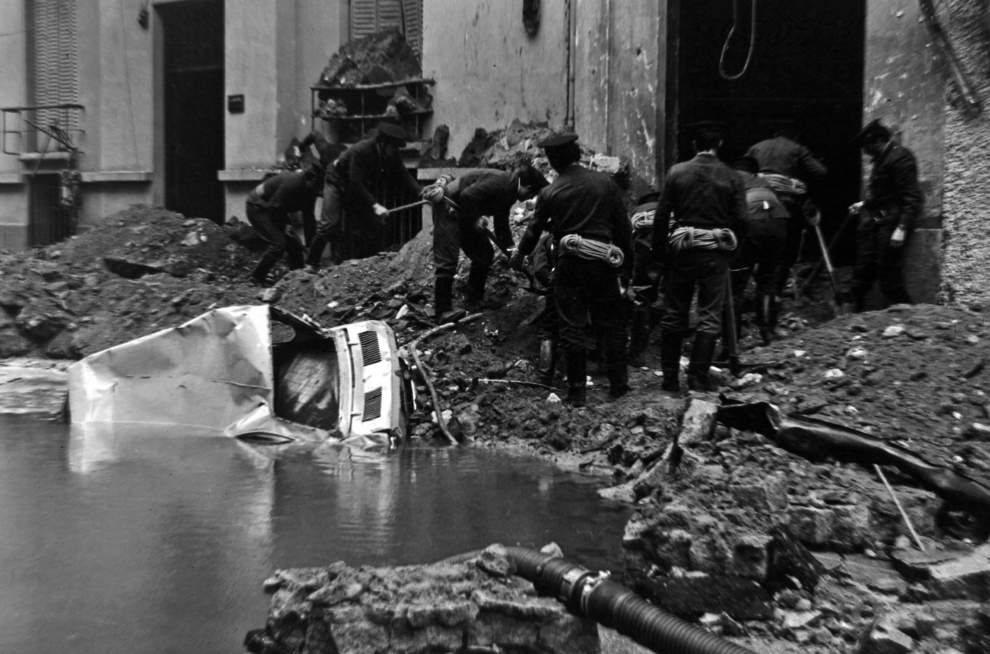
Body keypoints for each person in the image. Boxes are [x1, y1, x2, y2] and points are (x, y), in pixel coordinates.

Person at [510, 133, 631, 406]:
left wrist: (519, 254)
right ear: (577, 154)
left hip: (570, 265)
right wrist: (626, 271)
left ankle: (577, 393)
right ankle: (619, 386)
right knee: (612, 324)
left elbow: (533, 230)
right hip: (603, 263)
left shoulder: (551, 192)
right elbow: (623, 231)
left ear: (552, 162)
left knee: (571, 327)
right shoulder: (606, 184)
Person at [652, 122, 748, 393]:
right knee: (709, 317)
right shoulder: (732, 176)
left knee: (674, 315)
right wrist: (732, 250)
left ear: (694, 145)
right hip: (715, 255)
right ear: (719, 145)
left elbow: (661, 217)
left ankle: (670, 380)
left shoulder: (676, 172)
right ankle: (697, 379)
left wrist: (661, 255)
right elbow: (742, 219)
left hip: (682, 252)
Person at [423, 165, 549, 320]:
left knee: (484, 253)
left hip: (464, 212)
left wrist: (512, 251)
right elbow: (467, 196)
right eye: (532, 194)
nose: (530, 198)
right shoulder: (502, 184)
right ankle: (442, 311)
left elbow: (501, 226)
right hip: (449, 207)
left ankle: (473, 301)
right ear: (528, 187)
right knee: (448, 259)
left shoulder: (510, 191)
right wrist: (476, 218)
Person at [305, 122, 423, 271]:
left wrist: (422, 192)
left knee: (373, 223)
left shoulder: (392, 155)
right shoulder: (362, 150)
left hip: (355, 187)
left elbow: (405, 176)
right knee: (330, 224)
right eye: (393, 147)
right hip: (337, 181)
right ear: (382, 143)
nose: (394, 150)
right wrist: (376, 205)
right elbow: (356, 183)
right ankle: (311, 263)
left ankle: (363, 265)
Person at [745, 123, 827, 304]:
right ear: (794, 136)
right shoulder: (796, 148)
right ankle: (776, 294)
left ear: (775, 134)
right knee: (787, 251)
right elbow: (820, 172)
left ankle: (758, 290)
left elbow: (741, 171)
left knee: (753, 248)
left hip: (755, 203)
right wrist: (799, 185)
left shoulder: (757, 146)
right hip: (784, 206)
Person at [848, 119, 922, 311]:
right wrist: (863, 204)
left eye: (867, 146)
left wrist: (902, 228)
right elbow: (884, 194)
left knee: (888, 281)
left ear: (878, 141)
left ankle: (911, 320)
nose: (864, 151)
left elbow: (912, 196)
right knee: (861, 274)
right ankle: (850, 321)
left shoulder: (899, 158)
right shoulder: (882, 159)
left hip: (891, 225)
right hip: (875, 223)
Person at [727, 156, 790, 346]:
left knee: (736, 284)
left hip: (753, 220)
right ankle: (767, 331)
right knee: (767, 279)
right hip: (778, 220)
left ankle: (732, 342)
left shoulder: (730, 177)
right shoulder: (762, 182)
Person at [245, 164, 324, 286]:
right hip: (258, 207)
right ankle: (256, 278)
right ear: (311, 180)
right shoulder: (292, 183)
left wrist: (311, 248)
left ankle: (296, 281)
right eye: (319, 187)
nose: (320, 192)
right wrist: (285, 225)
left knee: (295, 246)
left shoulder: (310, 190)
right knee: (279, 243)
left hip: (275, 209)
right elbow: (274, 207)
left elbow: (309, 219)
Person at [626, 191, 661, 368]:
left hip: (647, 245)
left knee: (643, 296)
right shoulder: (669, 208)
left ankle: (636, 355)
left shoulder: (638, 212)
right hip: (675, 239)